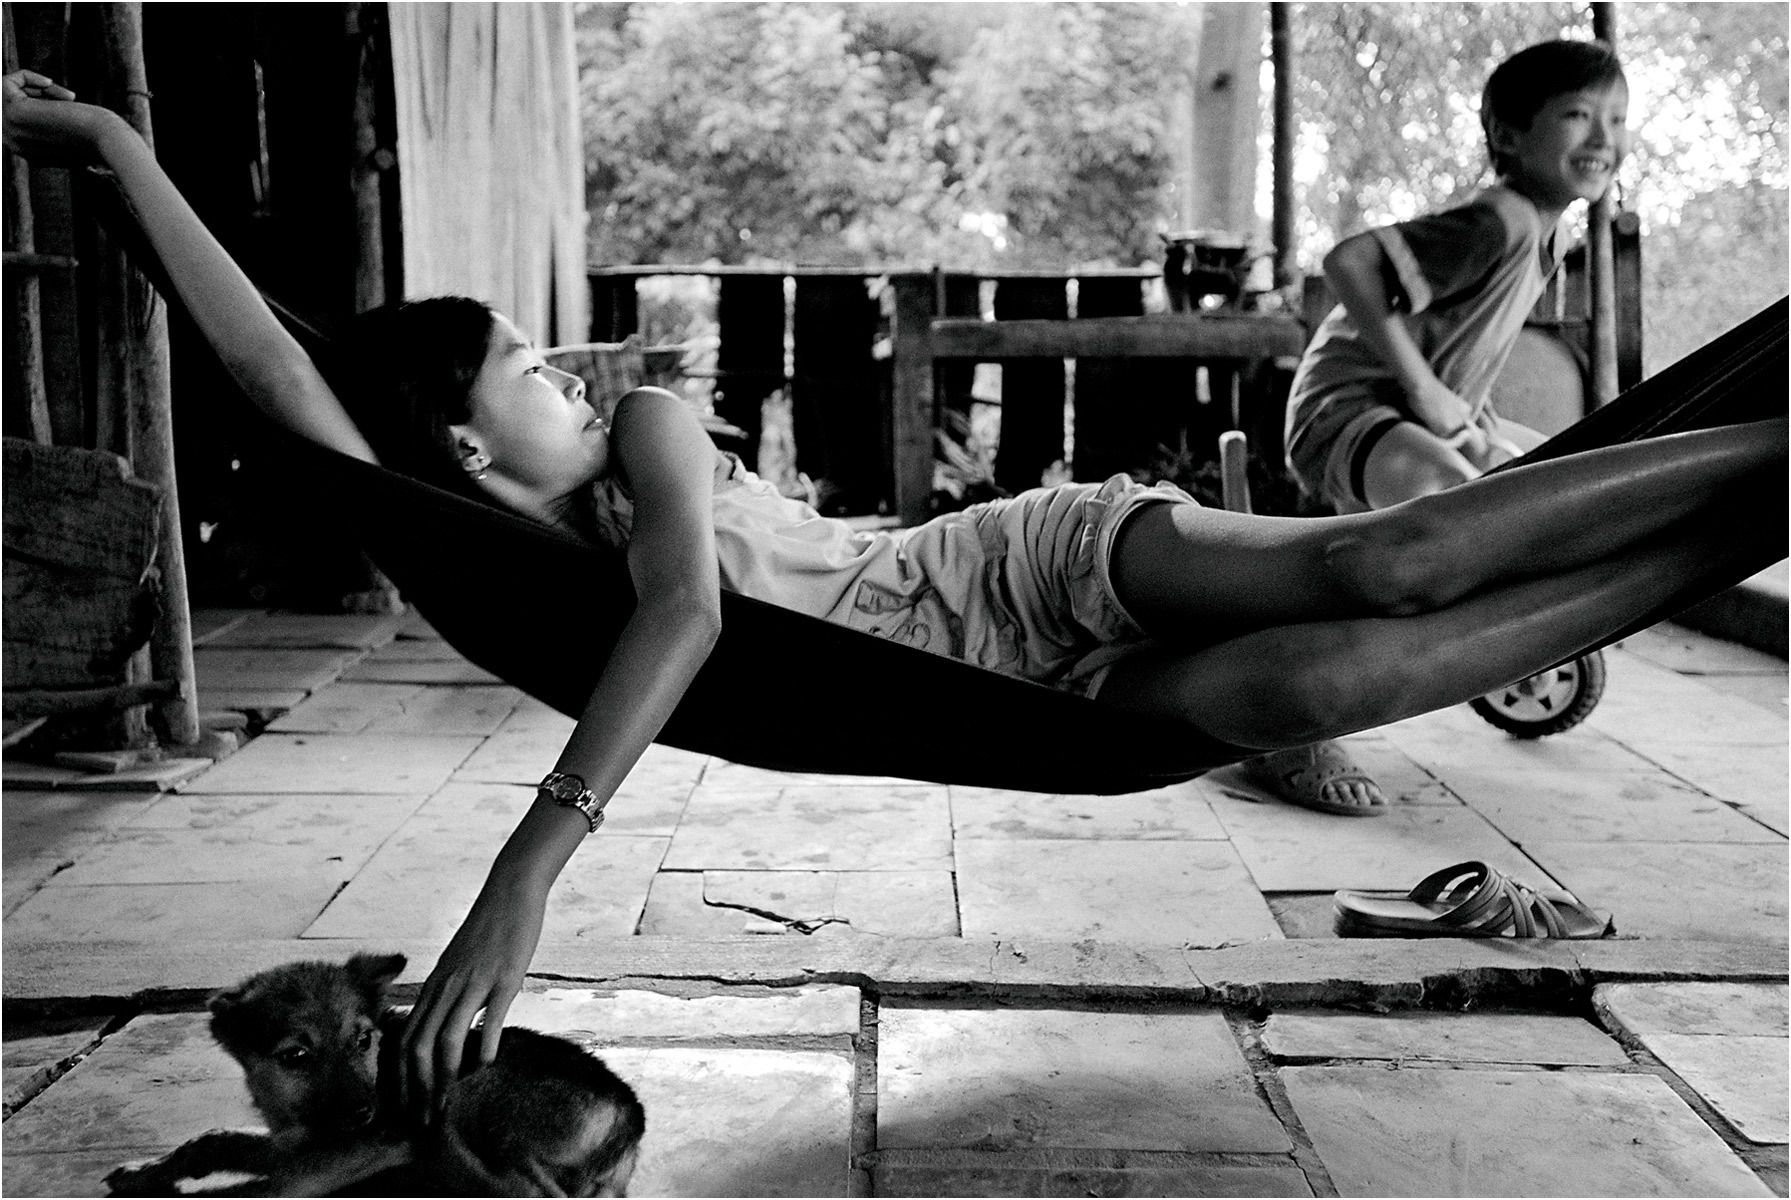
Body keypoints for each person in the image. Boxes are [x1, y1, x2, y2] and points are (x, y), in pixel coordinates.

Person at [8, 68, 1780, 1129]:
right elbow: (284, 381)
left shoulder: (636, 433)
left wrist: (522, 874)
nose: (565, 364)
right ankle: (1743, 507)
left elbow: (690, 616)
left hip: (1013, 573)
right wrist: (116, 150)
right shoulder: (506, 553)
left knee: (1391, 562)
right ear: (469, 458)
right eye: (518, 370)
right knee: (1319, 690)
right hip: (1033, 702)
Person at [1260, 39, 1633, 817]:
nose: (1602, 138)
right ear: (1508, 135)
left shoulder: (1544, 230)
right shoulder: (1497, 220)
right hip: (1346, 408)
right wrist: (1427, 392)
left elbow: (1463, 336)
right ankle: (1292, 714)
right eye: (1575, 116)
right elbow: (1349, 261)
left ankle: (1504, 632)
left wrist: (1471, 413)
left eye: (1616, 119)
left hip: (1403, 406)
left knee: (1552, 471)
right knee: (1449, 514)